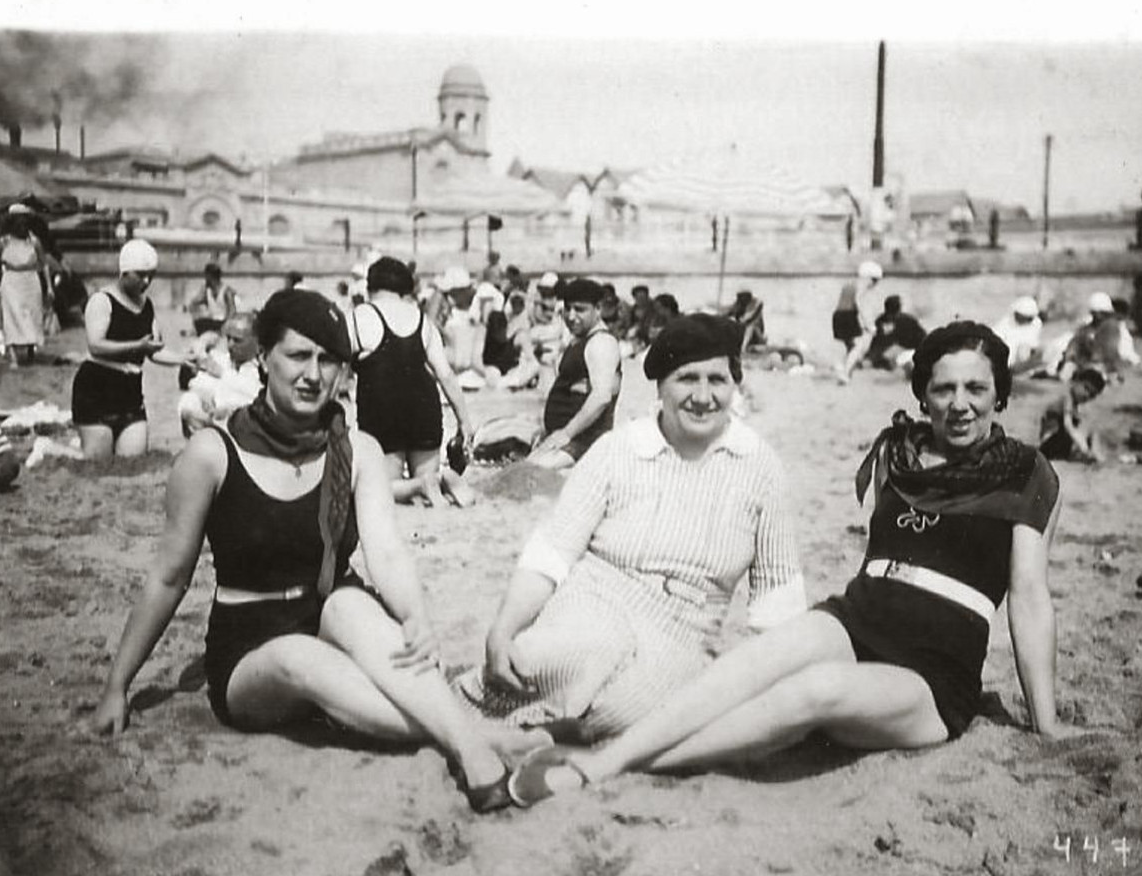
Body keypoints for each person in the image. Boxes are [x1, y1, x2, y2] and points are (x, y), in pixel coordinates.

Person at [506, 321, 1075, 805]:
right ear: (923, 394)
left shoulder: (1025, 472)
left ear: (1000, 392)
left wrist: (1044, 721)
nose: (960, 404)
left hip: (934, 670)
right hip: (857, 617)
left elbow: (1029, 597)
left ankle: (605, 766)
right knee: (751, 665)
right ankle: (608, 755)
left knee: (816, 691)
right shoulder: (895, 455)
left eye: (976, 388)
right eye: (944, 388)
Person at [88, 290, 533, 811]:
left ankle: (465, 741)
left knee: (352, 602)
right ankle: (478, 739)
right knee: (298, 657)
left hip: (326, 609)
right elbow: (168, 578)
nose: (313, 374)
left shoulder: (356, 450)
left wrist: (415, 618)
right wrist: (117, 685)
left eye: (328, 361)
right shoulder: (212, 454)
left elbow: (386, 554)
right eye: (298, 355)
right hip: (252, 651)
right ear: (263, 358)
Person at [456, 315, 805, 743]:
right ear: (660, 388)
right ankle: (489, 715)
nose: (702, 396)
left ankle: (540, 738)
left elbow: (778, 598)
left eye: (717, 380)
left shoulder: (760, 467)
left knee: (631, 709)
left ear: (735, 385)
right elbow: (552, 551)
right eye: (686, 379)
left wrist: (782, 688)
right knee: (536, 663)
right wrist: (504, 628)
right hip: (593, 607)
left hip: (685, 634)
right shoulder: (618, 450)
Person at [351, 256, 476, 507]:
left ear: (370, 287)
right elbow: (446, 376)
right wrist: (465, 423)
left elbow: (335, 367)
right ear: (405, 290)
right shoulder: (422, 320)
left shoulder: (359, 316)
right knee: (424, 481)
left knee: (379, 489)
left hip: (382, 410)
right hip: (424, 408)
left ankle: (421, 485)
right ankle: (440, 481)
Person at [71, 239, 166, 460]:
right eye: (141, 275)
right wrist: (138, 346)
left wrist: (185, 358)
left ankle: (93, 441)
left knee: (131, 461)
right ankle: (49, 448)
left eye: (151, 275)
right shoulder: (101, 300)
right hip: (98, 388)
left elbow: (154, 351)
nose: (146, 281)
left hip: (129, 390)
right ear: (124, 272)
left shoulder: (146, 305)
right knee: (96, 461)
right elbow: (96, 345)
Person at [530, 277, 622, 469]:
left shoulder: (601, 343)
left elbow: (601, 397)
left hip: (585, 444)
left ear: (598, 309)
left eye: (580, 309)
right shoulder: (579, 340)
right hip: (567, 438)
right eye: (568, 308)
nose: (571, 316)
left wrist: (565, 434)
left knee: (526, 473)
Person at [178, 313, 262, 436]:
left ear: (256, 341)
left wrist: (223, 375)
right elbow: (197, 386)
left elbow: (258, 396)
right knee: (189, 401)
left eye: (237, 340)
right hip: (210, 424)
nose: (230, 345)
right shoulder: (219, 360)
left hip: (245, 429)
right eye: (228, 338)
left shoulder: (265, 368)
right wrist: (201, 394)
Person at [0, 204, 52, 365]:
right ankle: (13, 355)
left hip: (30, 281)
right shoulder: (3, 243)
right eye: (18, 222)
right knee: (11, 317)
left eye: (25, 222)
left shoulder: (34, 242)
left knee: (31, 317)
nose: (22, 225)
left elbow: (44, 264)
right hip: (11, 281)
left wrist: (49, 287)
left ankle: (31, 350)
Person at [1061, 291, 1139, 380]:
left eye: (1101, 313)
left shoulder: (1113, 327)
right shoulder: (1087, 328)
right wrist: (1071, 358)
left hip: (1112, 364)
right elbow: (1074, 345)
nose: (1097, 316)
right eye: (1095, 313)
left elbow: (1111, 353)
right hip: (1089, 363)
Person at [1037, 367, 1107, 464]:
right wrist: (1083, 446)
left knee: (1090, 428)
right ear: (1076, 381)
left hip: (1058, 444)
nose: (1086, 395)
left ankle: (1096, 455)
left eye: (1091, 395)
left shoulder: (1074, 404)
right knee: (1082, 432)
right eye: (1086, 388)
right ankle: (1093, 455)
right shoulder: (1067, 399)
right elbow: (1067, 425)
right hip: (1049, 444)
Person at [837, 261, 885, 382]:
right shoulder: (861, 285)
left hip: (838, 315)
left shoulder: (848, 284)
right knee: (858, 347)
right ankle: (845, 373)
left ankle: (844, 370)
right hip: (849, 315)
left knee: (851, 346)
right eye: (874, 280)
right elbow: (858, 303)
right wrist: (868, 324)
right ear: (868, 277)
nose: (874, 284)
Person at [484, 292, 541, 390]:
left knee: (533, 365)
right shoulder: (502, 320)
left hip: (510, 371)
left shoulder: (520, 326)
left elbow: (532, 360)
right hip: (497, 371)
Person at [864, 294, 926, 371]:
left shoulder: (906, 321)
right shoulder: (906, 320)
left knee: (900, 359)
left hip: (910, 351)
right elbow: (878, 340)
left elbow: (879, 340)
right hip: (901, 350)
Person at [992, 296, 1044, 372]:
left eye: (1027, 318)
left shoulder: (1036, 324)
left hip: (1021, 359)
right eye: (1021, 316)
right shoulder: (1006, 322)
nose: (1024, 320)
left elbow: (1032, 344)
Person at [186, 263, 239, 337]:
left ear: (210, 277)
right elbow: (192, 305)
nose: (205, 279)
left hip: (223, 323)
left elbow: (232, 311)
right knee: (199, 322)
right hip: (211, 322)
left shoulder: (227, 291)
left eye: (206, 276)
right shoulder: (206, 291)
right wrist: (199, 296)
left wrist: (227, 324)